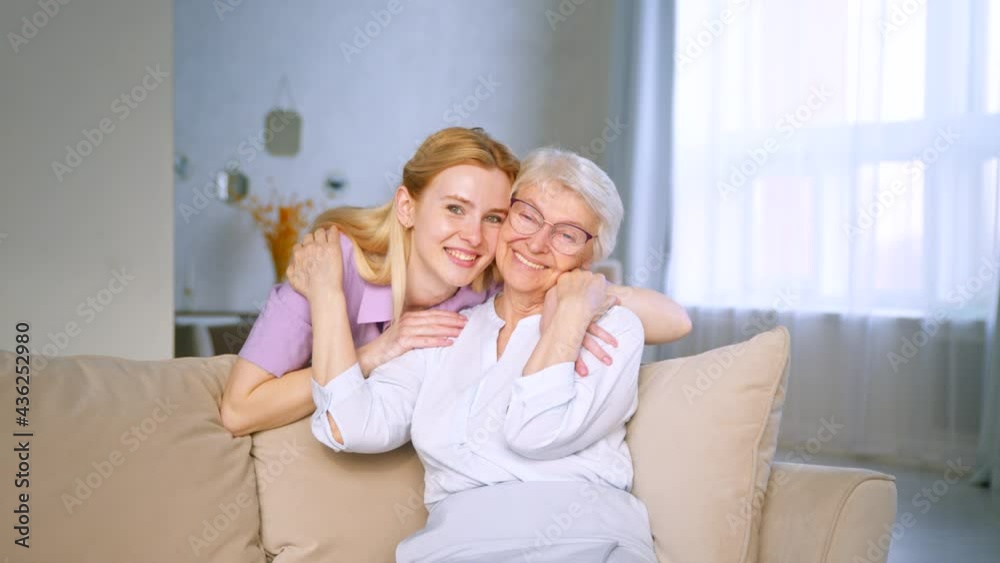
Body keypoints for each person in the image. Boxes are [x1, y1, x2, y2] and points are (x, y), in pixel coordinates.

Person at [299, 147, 672, 562]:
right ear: (503, 219)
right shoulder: (448, 330)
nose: (537, 242)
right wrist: (327, 294)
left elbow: (533, 432)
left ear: (590, 256)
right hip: (455, 550)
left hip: (589, 544)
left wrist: (569, 318)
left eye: (566, 234)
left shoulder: (613, 329)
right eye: (527, 215)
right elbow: (348, 425)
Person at [221, 126, 691, 438]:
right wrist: (372, 354)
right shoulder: (329, 269)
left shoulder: (490, 283)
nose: (472, 236)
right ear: (407, 207)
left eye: (493, 217)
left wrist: (585, 299)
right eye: (454, 209)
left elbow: (674, 321)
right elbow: (239, 411)